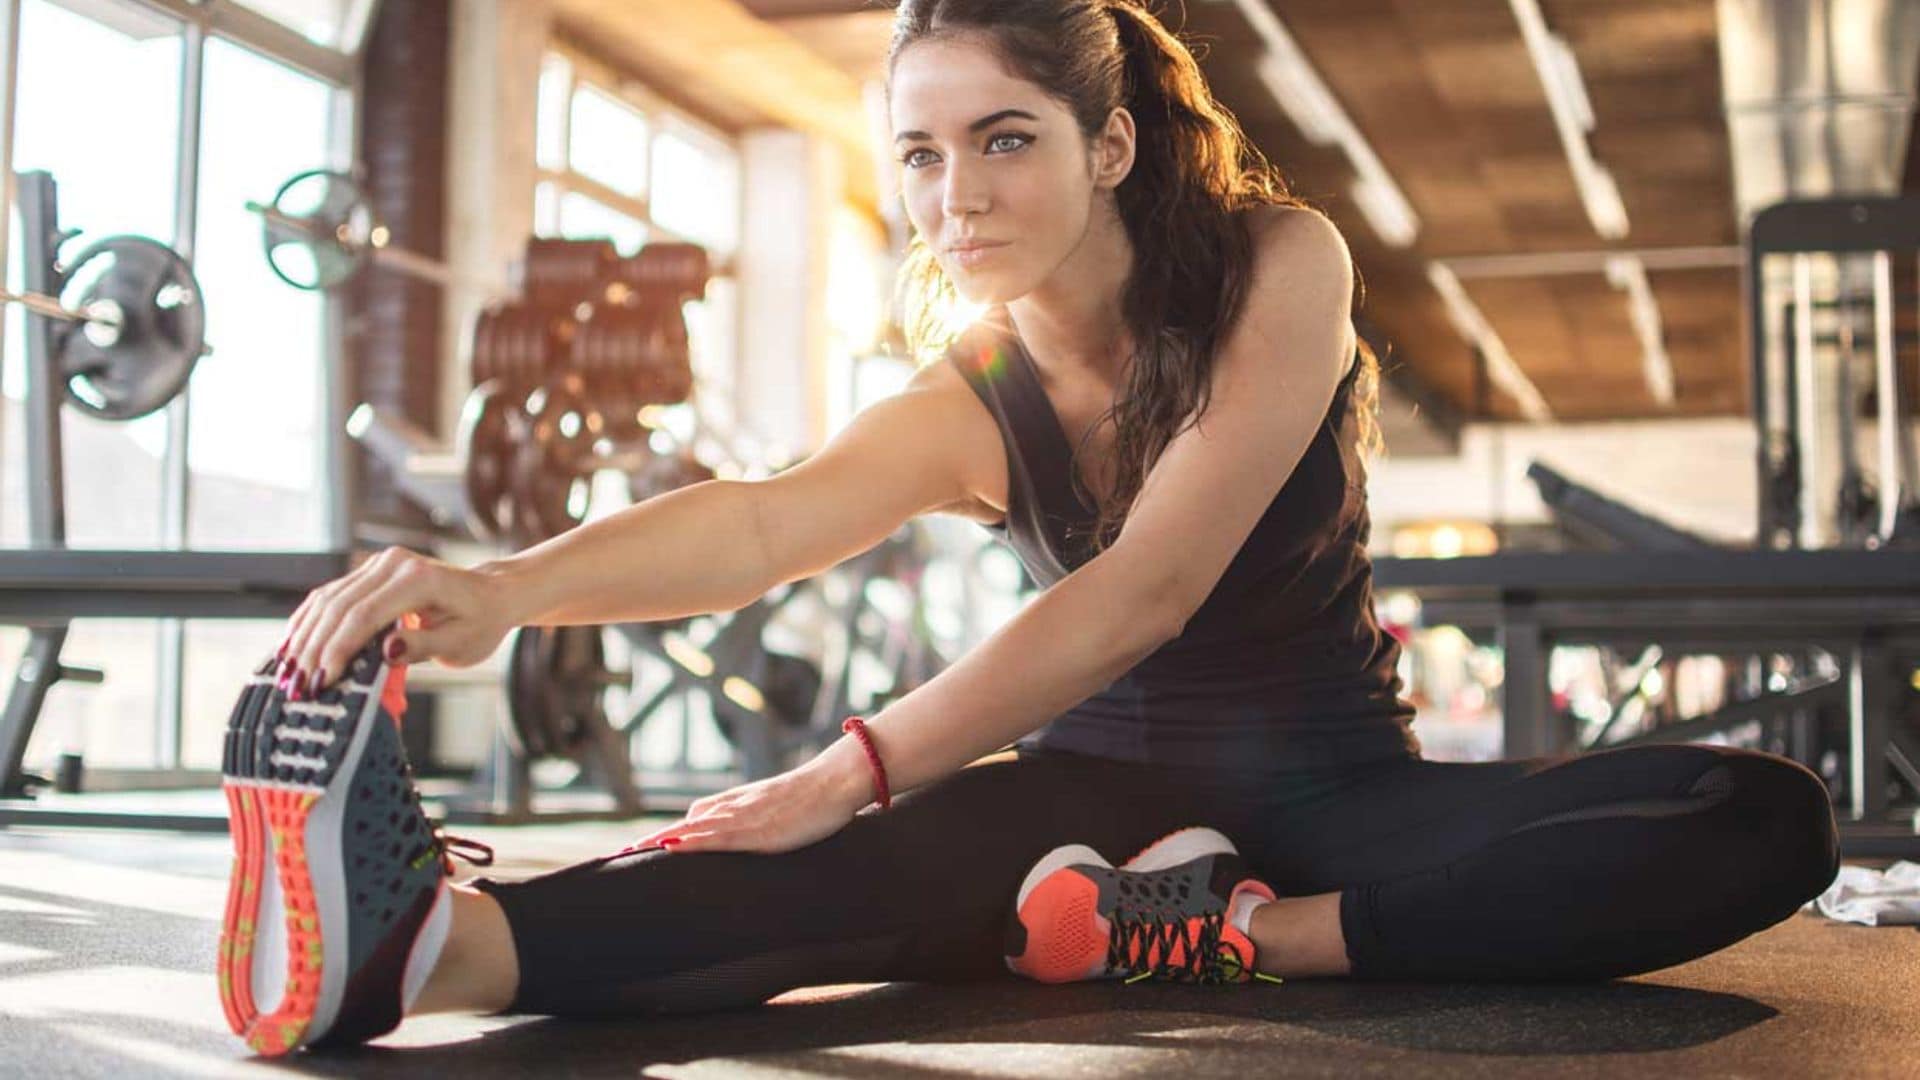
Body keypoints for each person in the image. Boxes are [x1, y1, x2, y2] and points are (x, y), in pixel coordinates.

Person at [214, 0, 1840, 1057]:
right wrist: (506, 587)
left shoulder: (1283, 267)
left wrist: (851, 759)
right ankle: (425, 951)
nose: (956, 196)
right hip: (1081, 811)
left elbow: (1153, 583)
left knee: (1752, 813)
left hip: (1337, 796)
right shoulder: (969, 391)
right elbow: (767, 523)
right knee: (799, 884)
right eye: (921, 157)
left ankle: (1232, 936)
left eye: (1005, 140)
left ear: (1110, 145)